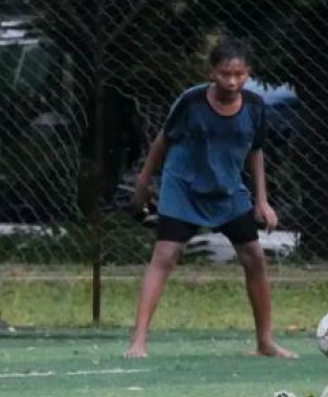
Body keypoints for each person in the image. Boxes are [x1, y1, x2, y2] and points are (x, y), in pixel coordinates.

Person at [125, 38, 296, 359]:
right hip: (183, 187)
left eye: (239, 74)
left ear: (248, 74)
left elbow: (255, 152)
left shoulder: (256, 106)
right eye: (224, 74)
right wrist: (143, 183)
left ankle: (265, 341)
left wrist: (262, 200)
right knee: (165, 255)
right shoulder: (190, 102)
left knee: (255, 258)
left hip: (228, 191)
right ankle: (138, 341)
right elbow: (162, 141)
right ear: (212, 74)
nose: (232, 81)